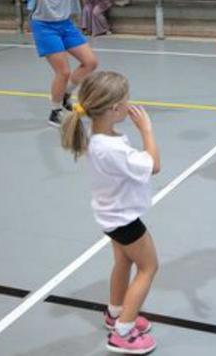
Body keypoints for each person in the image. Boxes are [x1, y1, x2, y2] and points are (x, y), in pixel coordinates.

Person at [58, 71, 161, 354]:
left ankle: (115, 313)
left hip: (110, 216)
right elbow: (154, 165)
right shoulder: (113, 149)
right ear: (115, 109)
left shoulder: (98, 137)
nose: (130, 104)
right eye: (126, 100)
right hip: (125, 220)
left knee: (123, 263)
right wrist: (147, 131)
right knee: (148, 267)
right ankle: (123, 334)